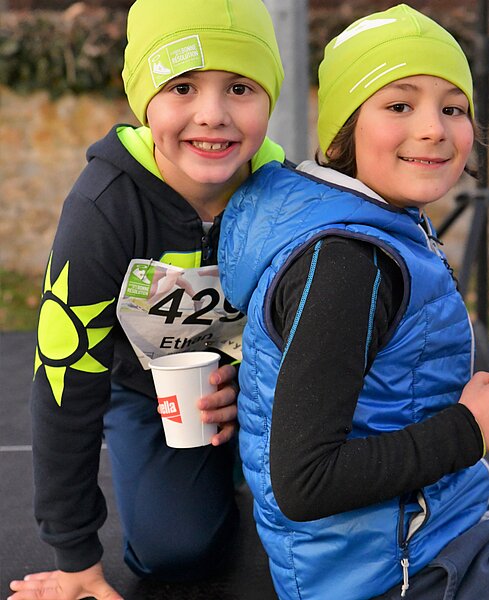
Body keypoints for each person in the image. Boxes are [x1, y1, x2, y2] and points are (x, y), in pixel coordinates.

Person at [217, 4, 489, 599]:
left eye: (453, 108)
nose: (434, 129)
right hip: (386, 570)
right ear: (345, 128)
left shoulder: (383, 221)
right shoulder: (346, 264)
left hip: (451, 507)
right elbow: (304, 483)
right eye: (399, 105)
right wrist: (474, 426)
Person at [8, 0, 284, 598]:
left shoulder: (285, 197)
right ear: (143, 99)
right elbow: (63, 375)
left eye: (240, 87)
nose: (212, 115)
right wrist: (76, 557)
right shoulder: (103, 208)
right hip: (146, 391)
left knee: (320, 519)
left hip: (263, 392)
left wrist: (255, 388)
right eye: (182, 87)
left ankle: (242, 467)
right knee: (176, 554)